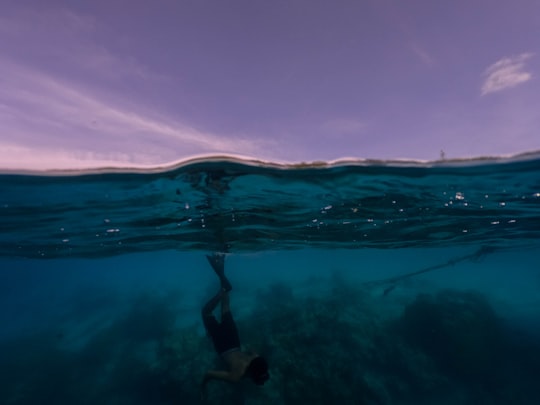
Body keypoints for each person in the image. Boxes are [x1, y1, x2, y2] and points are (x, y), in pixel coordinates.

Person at [200, 253, 269, 398]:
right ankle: (222, 282)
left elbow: (252, 350)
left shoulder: (255, 359)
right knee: (206, 312)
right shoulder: (236, 377)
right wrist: (203, 387)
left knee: (225, 306)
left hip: (234, 340)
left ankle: (221, 269)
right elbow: (208, 374)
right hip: (223, 346)